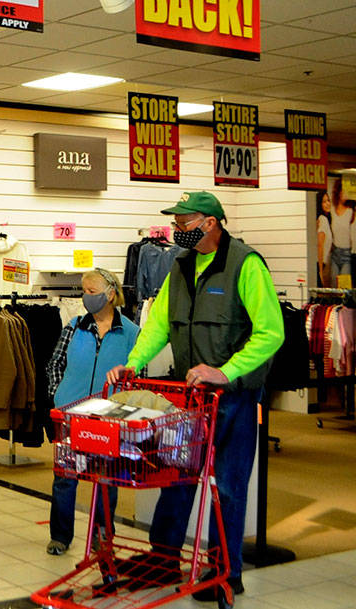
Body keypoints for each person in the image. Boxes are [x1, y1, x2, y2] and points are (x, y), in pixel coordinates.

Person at [107, 191, 283, 600]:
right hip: (189, 396)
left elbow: (271, 332)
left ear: (210, 223)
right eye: (176, 224)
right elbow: (160, 324)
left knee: (228, 486)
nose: (176, 230)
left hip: (234, 396)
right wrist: (135, 362)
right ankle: (162, 561)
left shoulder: (246, 264)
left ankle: (225, 570)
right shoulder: (181, 264)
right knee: (177, 476)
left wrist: (226, 371)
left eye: (184, 224)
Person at [45, 267, 138, 556]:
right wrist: (58, 396)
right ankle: (60, 536)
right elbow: (55, 364)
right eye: (84, 291)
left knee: (106, 479)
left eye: (92, 292)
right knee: (65, 476)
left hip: (110, 418)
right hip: (71, 413)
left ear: (111, 294)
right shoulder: (74, 326)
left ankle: (102, 536)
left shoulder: (132, 333)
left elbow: (138, 376)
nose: (86, 297)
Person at [328, 181, 352, 283]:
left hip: (347, 252)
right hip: (335, 251)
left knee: (344, 285)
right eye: (343, 192)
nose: (345, 195)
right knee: (333, 284)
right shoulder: (332, 211)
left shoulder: (350, 212)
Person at [318, 190, 334, 287]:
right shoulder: (322, 220)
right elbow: (320, 246)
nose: (328, 203)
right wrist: (320, 272)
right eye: (324, 202)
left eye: (328, 200)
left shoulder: (327, 220)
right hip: (323, 265)